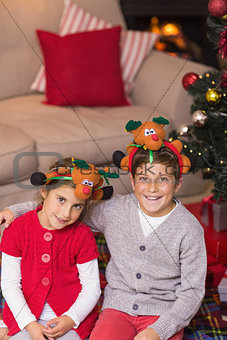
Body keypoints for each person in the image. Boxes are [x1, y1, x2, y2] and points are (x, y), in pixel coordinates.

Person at [0, 137, 207, 340]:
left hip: (165, 312)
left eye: (162, 179)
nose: (152, 188)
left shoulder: (189, 229)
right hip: (118, 306)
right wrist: (16, 210)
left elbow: (192, 292)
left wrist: (159, 331)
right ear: (133, 182)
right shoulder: (115, 210)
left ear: (178, 184)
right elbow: (63, 209)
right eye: (144, 178)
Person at [0, 158, 103, 340]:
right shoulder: (17, 229)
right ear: (44, 191)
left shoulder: (82, 235)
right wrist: (30, 325)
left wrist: (71, 319)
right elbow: (9, 284)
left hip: (70, 320)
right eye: (61, 200)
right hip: (24, 317)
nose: (66, 213)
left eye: (77, 206)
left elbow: (92, 287)